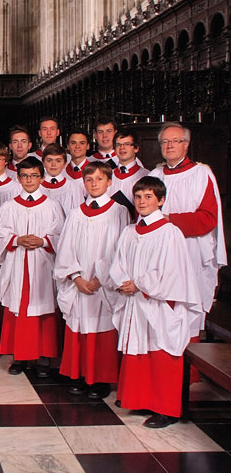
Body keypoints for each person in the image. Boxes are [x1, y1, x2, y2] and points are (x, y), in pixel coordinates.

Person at [109, 176, 203, 428]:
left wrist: (139, 284)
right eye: (138, 197)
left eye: (148, 197)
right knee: (139, 351)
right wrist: (123, 281)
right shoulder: (130, 231)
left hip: (159, 303)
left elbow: (172, 271)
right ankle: (141, 400)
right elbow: (117, 263)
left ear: (161, 200)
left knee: (160, 351)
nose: (141, 201)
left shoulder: (170, 232)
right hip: (134, 300)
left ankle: (166, 408)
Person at [53, 162, 129, 400]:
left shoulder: (119, 212)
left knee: (102, 328)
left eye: (99, 179)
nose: (94, 184)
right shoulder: (76, 214)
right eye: (89, 180)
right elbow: (66, 249)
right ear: (83, 183)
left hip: (103, 285)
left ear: (109, 182)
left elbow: (121, 250)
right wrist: (75, 277)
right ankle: (79, 374)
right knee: (79, 325)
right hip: (79, 283)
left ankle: (101, 379)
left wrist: (100, 279)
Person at [148, 122, 226, 340]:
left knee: (187, 311)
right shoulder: (155, 175)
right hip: (159, 253)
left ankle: (189, 372)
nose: (169, 146)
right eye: (165, 142)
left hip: (191, 250)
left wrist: (169, 220)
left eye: (175, 141)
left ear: (186, 144)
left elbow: (208, 218)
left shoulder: (202, 174)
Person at [0, 157, 64, 377]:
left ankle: (43, 358)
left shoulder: (52, 206)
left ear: (42, 177)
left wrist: (43, 241)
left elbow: (61, 235)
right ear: (18, 178)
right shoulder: (9, 206)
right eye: (24, 175)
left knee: (42, 308)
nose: (29, 180)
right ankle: (20, 358)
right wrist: (16, 240)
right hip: (17, 262)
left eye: (34, 175)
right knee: (19, 308)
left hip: (42, 264)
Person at [110, 128, 148, 218]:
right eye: (118, 144)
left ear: (136, 148)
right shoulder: (106, 176)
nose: (122, 148)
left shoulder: (146, 176)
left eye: (127, 144)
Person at [39, 143, 83, 214]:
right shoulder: (36, 186)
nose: (53, 164)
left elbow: (79, 214)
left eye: (58, 161)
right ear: (43, 162)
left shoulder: (73, 187)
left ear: (65, 163)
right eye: (49, 160)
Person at [65, 130, 90, 199]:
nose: (77, 146)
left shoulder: (96, 171)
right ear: (68, 146)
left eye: (82, 143)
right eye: (73, 143)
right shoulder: (61, 172)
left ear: (88, 146)